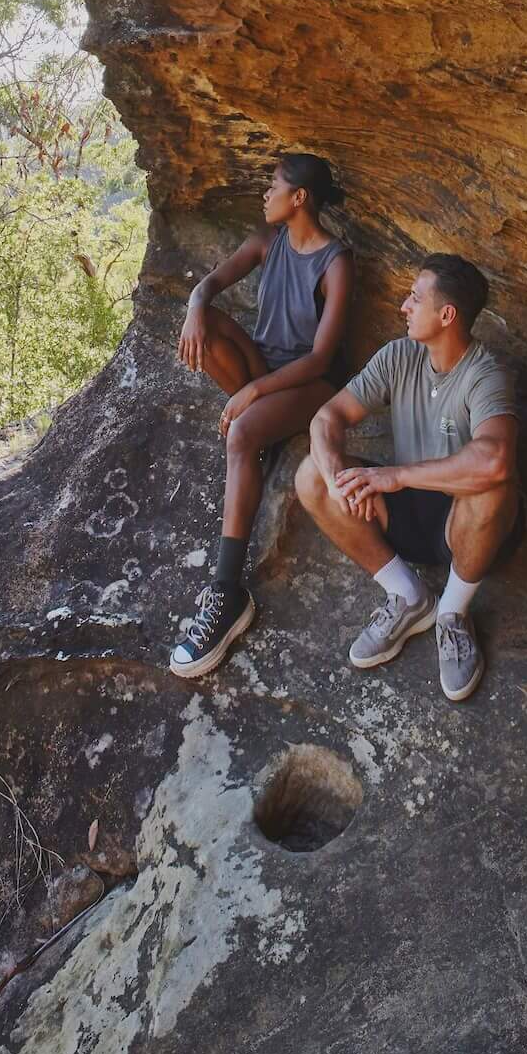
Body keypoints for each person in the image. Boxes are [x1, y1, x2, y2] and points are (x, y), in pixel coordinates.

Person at [295, 253, 520, 703]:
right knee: (310, 476)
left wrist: (394, 476)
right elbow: (326, 419)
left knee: (493, 486)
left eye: (415, 298)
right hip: (408, 514)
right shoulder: (399, 356)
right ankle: (409, 597)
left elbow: (494, 459)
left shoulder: (485, 374)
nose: (403, 306)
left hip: (465, 524)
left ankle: (452, 614)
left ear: (447, 314)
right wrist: (340, 478)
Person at [168, 151, 353, 678]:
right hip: (266, 368)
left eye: (274, 187)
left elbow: (320, 357)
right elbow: (208, 286)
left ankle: (226, 597)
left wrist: (250, 396)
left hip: (311, 383)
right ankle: (260, 434)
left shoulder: (335, 262)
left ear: (299, 198)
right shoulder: (265, 243)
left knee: (243, 434)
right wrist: (194, 307)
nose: (265, 195)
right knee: (210, 325)